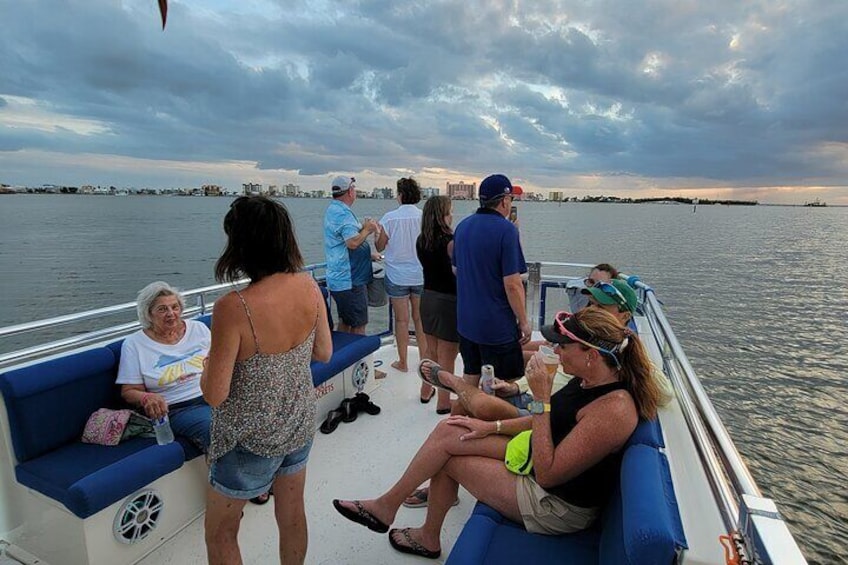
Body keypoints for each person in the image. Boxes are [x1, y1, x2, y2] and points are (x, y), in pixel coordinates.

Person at [333, 308, 663, 558]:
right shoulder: (586, 378)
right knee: (454, 429)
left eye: (563, 346)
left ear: (591, 355)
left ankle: (426, 537)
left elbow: (548, 474)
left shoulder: (614, 410)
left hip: (556, 505)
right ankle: (386, 507)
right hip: (537, 457)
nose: (555, 351)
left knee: (449, 458)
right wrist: (492, 427)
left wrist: (542, 398)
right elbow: (543, 421)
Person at [202, 196, 333, 565]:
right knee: (292, 515)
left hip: (247, 439)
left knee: (221, 533)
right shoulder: (308, 286)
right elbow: (323, 352)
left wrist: (206, 365)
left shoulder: (233, 307)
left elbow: (214, 394)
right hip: (297, 423)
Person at [452, 174, 529, 388]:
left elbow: (456, 269)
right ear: (505, 200)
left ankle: (461, 420)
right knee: (505, 385)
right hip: (497, 327)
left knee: (470, 377)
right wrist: (524, 322)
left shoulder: (462, 227)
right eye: (511, 199)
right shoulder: (507, 230)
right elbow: (513, 284)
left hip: (466, 323)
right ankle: (491, 421)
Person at [116, 281, 212, 453]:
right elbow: (129, 391)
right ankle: (230, 479)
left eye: (175, 307)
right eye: (162, 309)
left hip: (214, 395)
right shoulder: (134, 344)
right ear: (148, 314)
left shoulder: (199, 329)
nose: (171, 314)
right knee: (217, 428)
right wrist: (146, 398)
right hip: (177, 408)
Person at [376, 177, 428, 375]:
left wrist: (376, 236)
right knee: (420, 319)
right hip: (420, 274)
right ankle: (424, 361)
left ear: (400, 195)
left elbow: (380, 246)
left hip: (397, 275)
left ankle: (403, 361)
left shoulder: (389, 218)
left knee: (401, 320)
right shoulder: (424, 217)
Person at [415, 195, 457, 414]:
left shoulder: (421, 240)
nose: (452, 215)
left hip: (428, 297)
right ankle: (443, 401)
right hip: (448, 301)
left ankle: (425, 390)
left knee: (430, 351)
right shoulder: (451, 241)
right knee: (447, 355)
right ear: (442, 215)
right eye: (450, 211)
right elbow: (457, 271)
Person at [323, 175, 379, 334]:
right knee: (359, 325)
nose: (355, 191)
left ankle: (344, 355)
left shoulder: (334, 209)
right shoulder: (343, 214)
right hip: (350, 280)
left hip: (339, 278)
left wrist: (367, 255)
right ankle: (358, 358)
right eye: (353, 188)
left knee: (346, 321)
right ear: (349, 192)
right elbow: (352, 243)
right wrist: (367, 229)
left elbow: (344, 240)